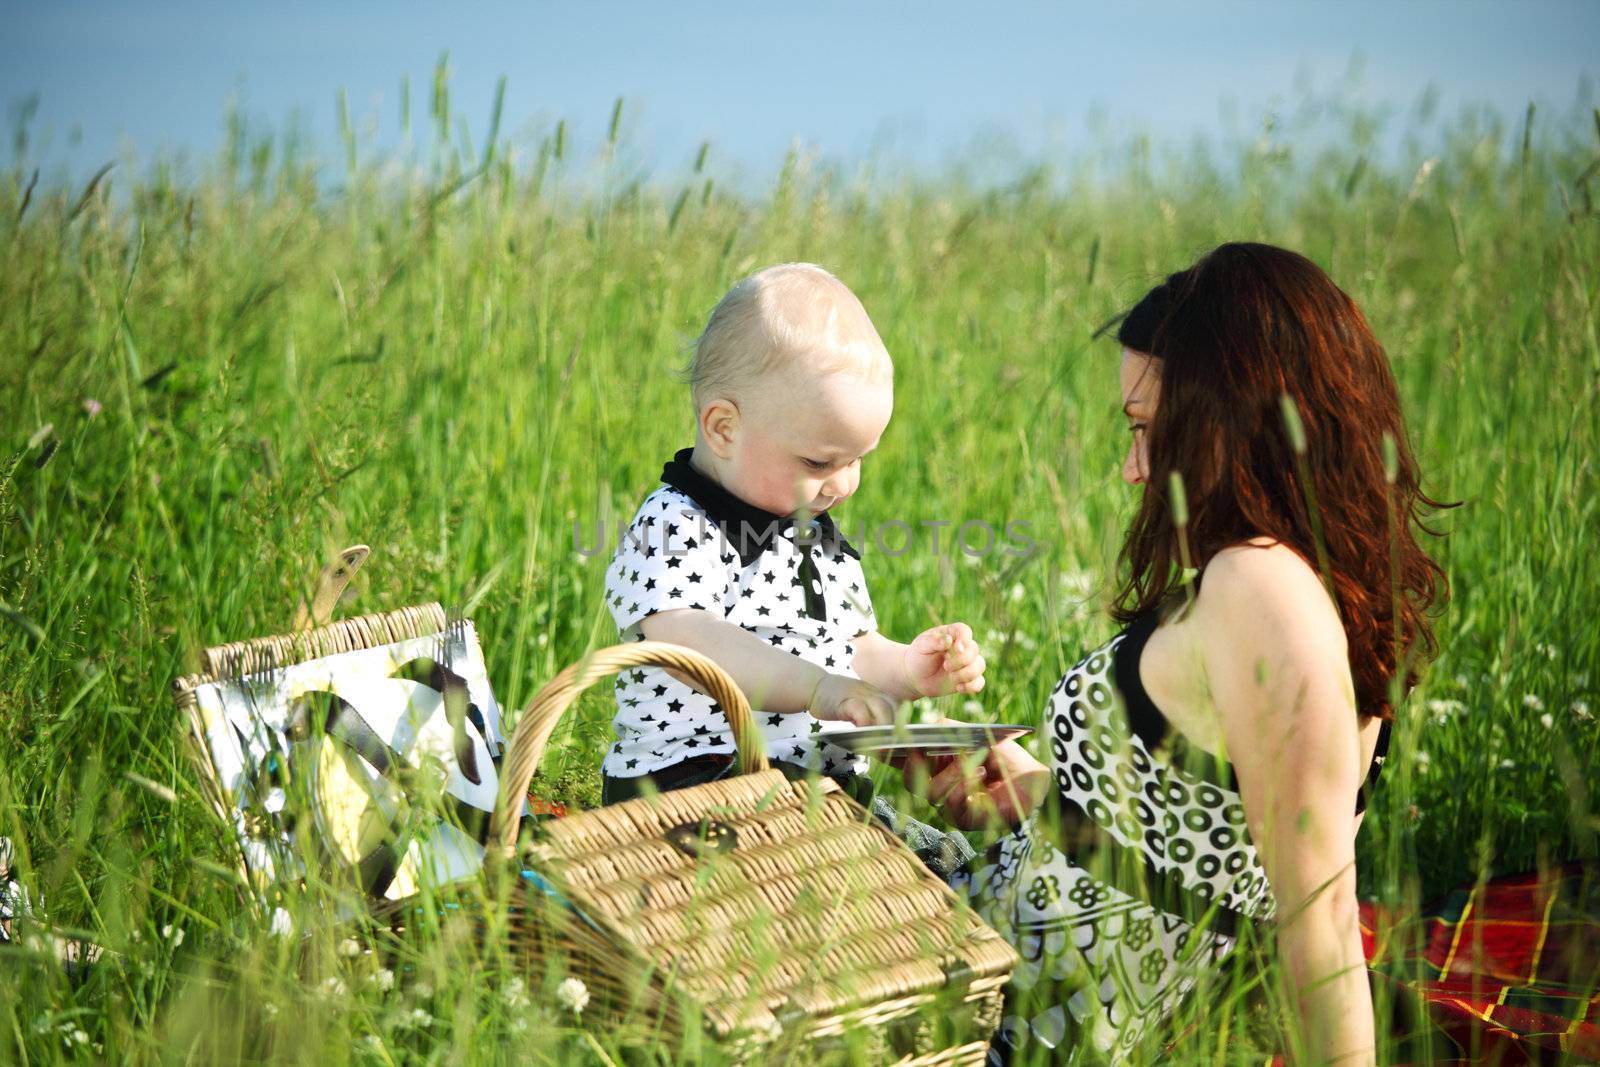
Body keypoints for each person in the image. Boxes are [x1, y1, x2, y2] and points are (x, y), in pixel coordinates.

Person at [903, 243, 1449, 1064]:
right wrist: (1041, 797)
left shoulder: (1261, 588)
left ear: (1229, 422)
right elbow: (1207, 858)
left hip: (1026, 1018)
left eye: (1147, 430)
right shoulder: (1284, 578)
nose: (1131, 468)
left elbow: (1316, 917)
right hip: (1009, 937)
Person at [597, 263, 986, 870]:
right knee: (889, 860)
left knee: (944, 861)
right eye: (820, 459)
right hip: (693, 790)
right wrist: (818, 690)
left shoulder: (818, 541)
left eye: (859, 459)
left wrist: (906, 669)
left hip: (810, 786)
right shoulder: (675, 524)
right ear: (724, 428)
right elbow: (695, 643)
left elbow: (847, 653)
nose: (845, 483)